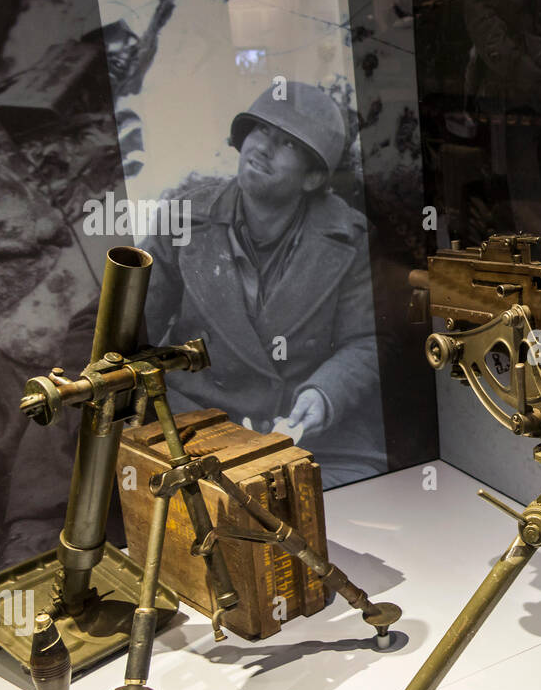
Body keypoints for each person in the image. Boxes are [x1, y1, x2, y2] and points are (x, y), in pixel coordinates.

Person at [141, 82, 386, 486]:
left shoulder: (349, 239)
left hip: (300, 434)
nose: (263, 148)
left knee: (347, 508)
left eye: (287, 143)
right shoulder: (183, 220)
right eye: (261, 131)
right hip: (196, 425)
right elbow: (133, 330)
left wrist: (324, 395)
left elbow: (363, 342)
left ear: (311, 178)